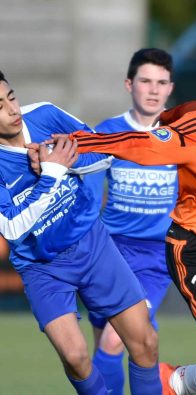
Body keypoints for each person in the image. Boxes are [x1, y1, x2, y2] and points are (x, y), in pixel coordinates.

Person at [63, 31, 196, 395]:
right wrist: (76, 143)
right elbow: (142, 145)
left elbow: (173, 115)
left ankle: (172, 380)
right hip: (195, 248)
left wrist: (168, 117)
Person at [0, 70, 162, 394]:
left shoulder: (45, 115)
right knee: (75, 357)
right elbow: (11, 227)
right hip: (42, 267)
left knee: (144, 341)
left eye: (11, 97)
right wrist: (51, 174)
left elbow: (103, 152)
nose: (12, 109)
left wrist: (66, 162)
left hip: (92, 242)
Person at [83, 47, 177, 395]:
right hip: (107, 253)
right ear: (129, 84)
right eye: (145, 81)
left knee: (114, 340)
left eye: (161, 82)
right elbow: (89, 197)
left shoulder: (182, 135)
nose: (153, 89)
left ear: (170, 87)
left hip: (155, 259)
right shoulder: (108, 133)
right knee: (102, 346)